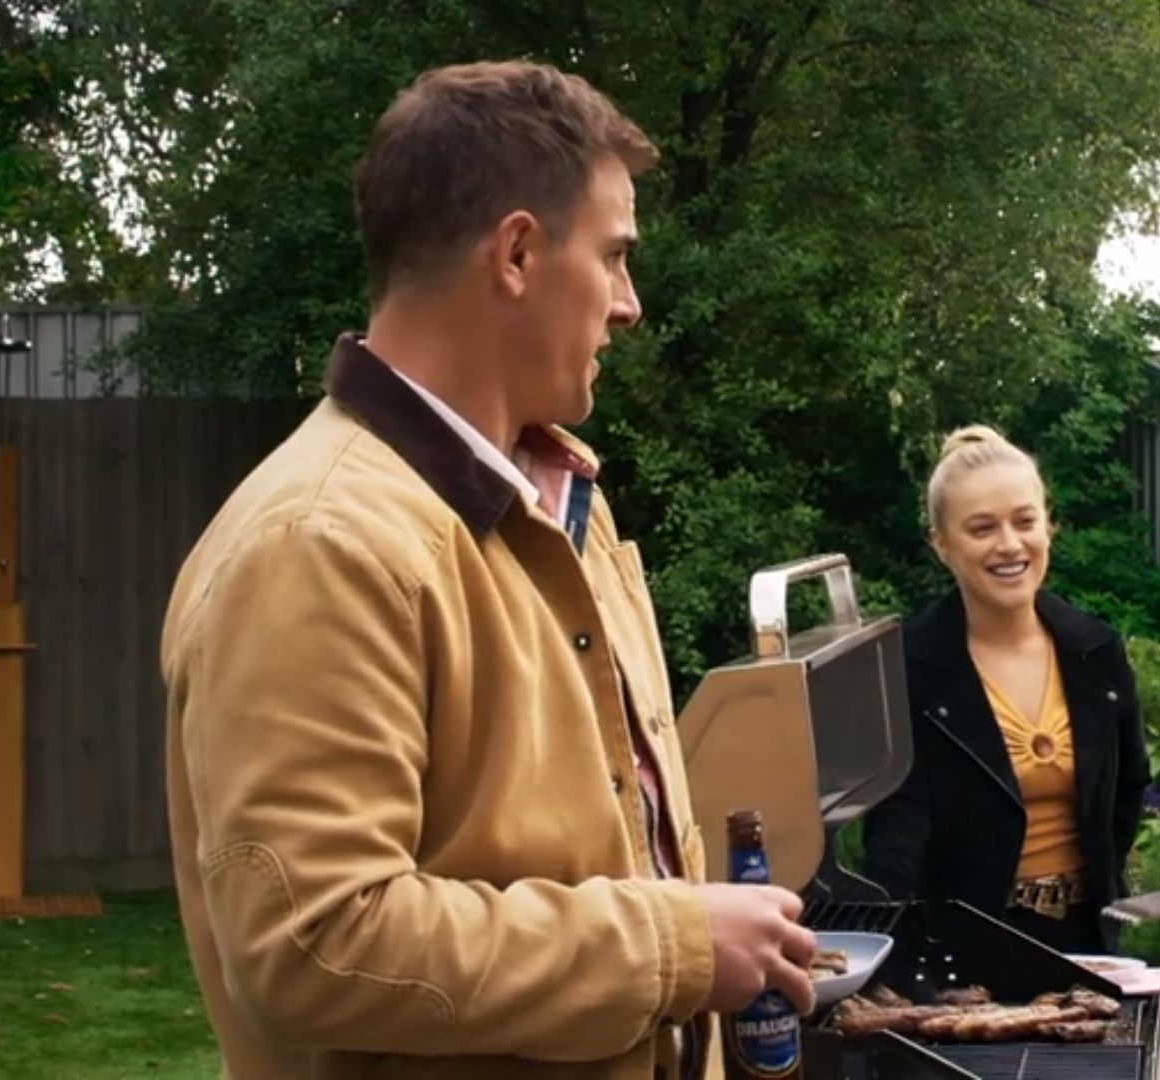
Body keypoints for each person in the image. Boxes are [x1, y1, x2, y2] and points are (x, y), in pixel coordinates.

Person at [160, 60, 816, 1080]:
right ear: (516, 253)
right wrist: (676, 945)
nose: (631, 305)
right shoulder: (316, 543)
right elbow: (314, 941)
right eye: (614, 256)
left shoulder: (563, 502)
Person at [862, 425, 1152, 956]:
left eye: (1025, 521)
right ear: (941, 544)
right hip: (964, 958)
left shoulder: (1096, 652)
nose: (1010, 545)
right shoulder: (908, 668)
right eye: (982, 529)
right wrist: (892, 960)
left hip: (1087, 947)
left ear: (1049, 527)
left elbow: (1128, 789)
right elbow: (897, 836)